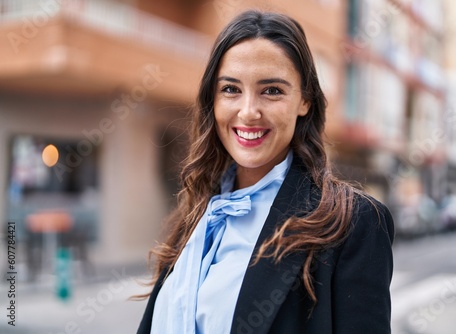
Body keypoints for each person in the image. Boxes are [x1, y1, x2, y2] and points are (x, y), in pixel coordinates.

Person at [137, 10, 394, 334]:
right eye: (231, 89)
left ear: (305, 100)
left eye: (271, 90)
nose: (248, 111)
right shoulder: (199, 213)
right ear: (212, 99)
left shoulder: (354, 222)